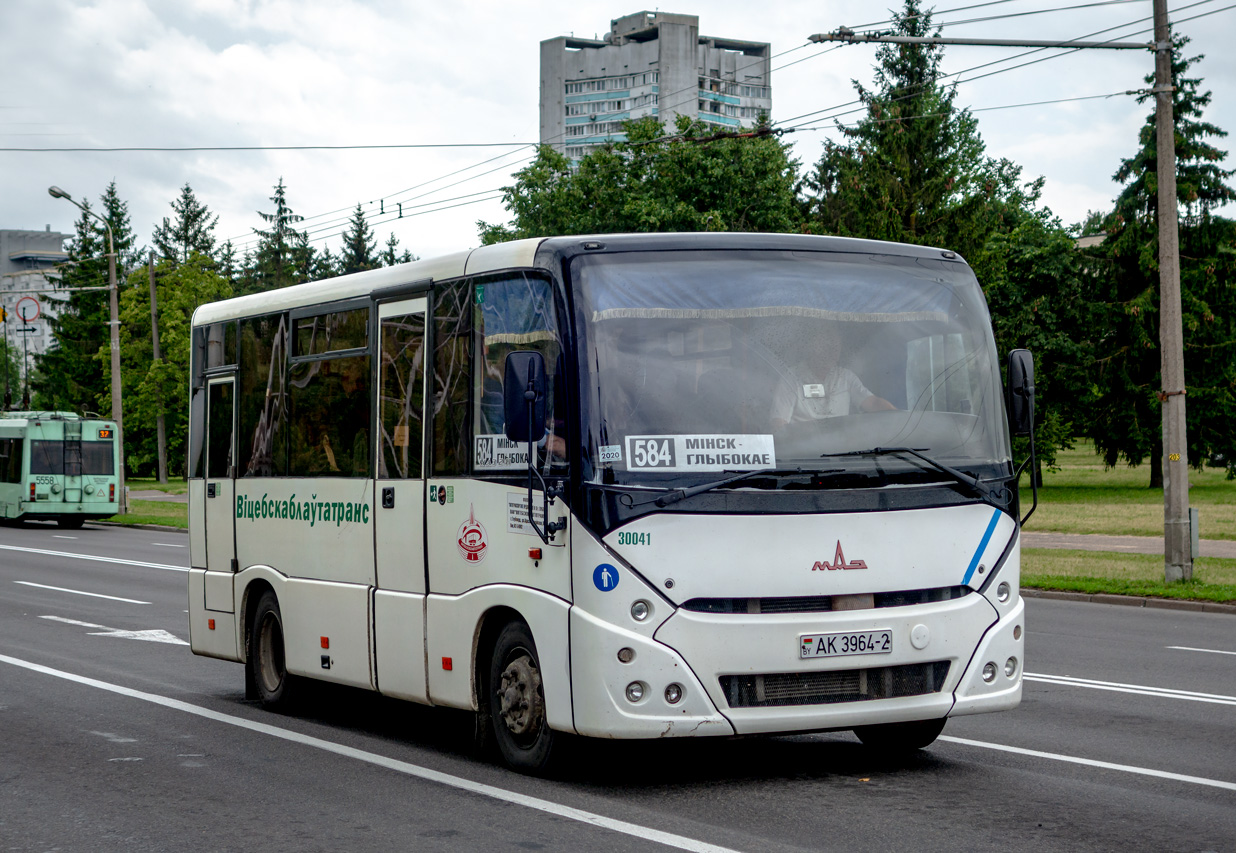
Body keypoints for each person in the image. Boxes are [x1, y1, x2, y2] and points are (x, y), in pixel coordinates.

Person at [770, 331, 894, 430]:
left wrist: (901, 419)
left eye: (835, 347)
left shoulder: (845, 377)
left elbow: (873, 403)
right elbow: (779, 424)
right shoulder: (791, 377)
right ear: (810, 347)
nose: (830, 352)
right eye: (825, 346)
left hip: (840, 451)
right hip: (805, 453)